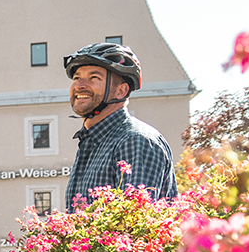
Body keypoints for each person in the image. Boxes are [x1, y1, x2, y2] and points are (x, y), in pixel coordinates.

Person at [61, 42, 178, 210]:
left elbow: (133, 223)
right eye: (77, 78)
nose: (79, 85)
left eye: (94, 78)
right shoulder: (91, 141)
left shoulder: (135, 141)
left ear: (121, 91)